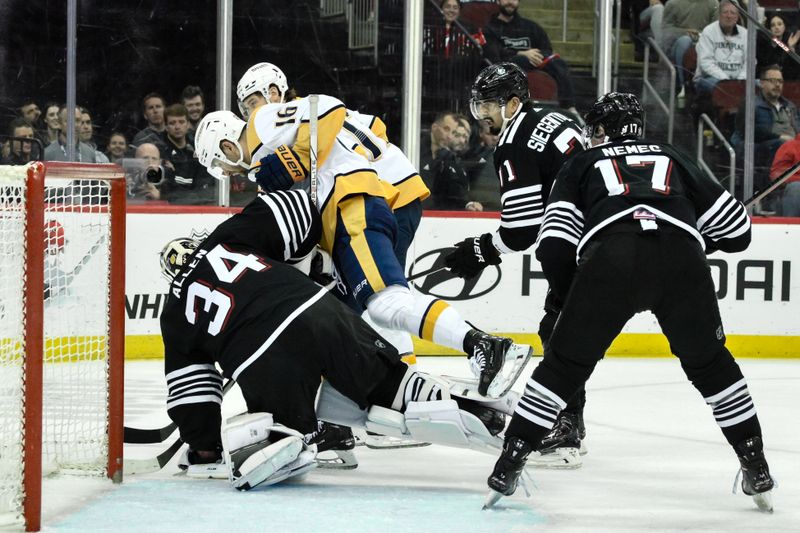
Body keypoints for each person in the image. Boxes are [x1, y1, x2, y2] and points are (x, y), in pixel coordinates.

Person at [485, 92, 775, 513]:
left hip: (611, 259)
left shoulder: (581, 163)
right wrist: (690, 237)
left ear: (603, 130)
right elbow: (738, 234)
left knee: (563, 367)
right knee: (712, 365)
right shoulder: (676, 156)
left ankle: (509, 463)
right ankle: (757, 464)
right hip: (680, 257)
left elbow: (552, 245)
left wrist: (571, 298)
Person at [159, 189, 517, 490]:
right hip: (319, 311)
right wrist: (307, 262)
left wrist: (203, 447)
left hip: (264, 361)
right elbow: (295, 208)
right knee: (390, 387)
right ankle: (498, 419)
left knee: (278, 431)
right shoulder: (227, 239)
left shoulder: (174, 313)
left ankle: (291, 434)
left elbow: (193, 393)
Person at [193, 100, 530, 401]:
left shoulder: (260, 124)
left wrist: (297, 155)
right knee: (341, 319)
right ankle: (348, 417)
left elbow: (326, 107)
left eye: (223, 167)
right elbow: (370, 129)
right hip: (364, 202)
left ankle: (482, 346)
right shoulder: (265, 167)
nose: (229, 175)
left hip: (356, 203)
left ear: (225, 145)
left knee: (384, 302)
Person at [235, 62, 432, 366]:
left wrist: (303, 157)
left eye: (252, 102)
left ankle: (402, 370)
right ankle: (384, 369)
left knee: (375, 293)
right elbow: (376, 127)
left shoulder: (302, 113)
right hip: (391, 191)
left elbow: (332, 114)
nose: (250, 114)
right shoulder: (304, 123)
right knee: (364, 295)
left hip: (379, 196)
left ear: (273, 92)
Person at [445, 62, 587, 468]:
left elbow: (523, 230)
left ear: (511, 102)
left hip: (580, 243)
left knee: (559, 332)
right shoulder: (556, 119)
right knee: (562, 328)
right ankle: (569, 421)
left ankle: (567, 429)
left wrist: (482, 251)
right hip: (598, 233)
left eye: (487, 104)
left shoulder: (515, 141)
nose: (482, 115)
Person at [482, 0, 579, 116]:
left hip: (535, 63)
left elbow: (546, 49)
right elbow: (493, 54)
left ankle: (569, 107)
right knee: (521, 59)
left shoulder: (531, 27)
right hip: (508, 65)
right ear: (498, 1)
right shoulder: (489, 28)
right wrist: (521, 53)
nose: (510, 3)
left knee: (558, 63)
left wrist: (536, 56)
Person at [731, 65, 798, 200]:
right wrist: (778, 137)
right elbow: (747, 130)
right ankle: (773, 197)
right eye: (772, 81)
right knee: (780, 145)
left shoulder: (790, 106)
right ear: (761, 83)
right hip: (763, 146)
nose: (777, 85)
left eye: (780, 81)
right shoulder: (751, 104)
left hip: (791, 146)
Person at [423, 0, 487, 113]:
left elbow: (481, 52)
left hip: (461, 77)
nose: (451, 10)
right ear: (441, 9)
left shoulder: (469, 29)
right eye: (447, 7)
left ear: (459, 11)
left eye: (455, 7)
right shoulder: (431, 27)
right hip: (435, 77)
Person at [158, 103, 216, 205]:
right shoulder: (161, 150)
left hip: (199, 202)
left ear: (188, 124)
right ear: (166, 127)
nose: (177, 127)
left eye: (181, 122)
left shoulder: (198, 147)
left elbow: (204, 183)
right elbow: (168, 189)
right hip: (172, 204)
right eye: (172, 123)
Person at [659, 0, 718, 95]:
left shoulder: (713, 4)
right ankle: (683, 85)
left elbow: (716, 29)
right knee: (684, 41)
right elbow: (666, 30)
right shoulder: (673, 3)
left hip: (704, 43)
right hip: (678, 44)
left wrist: (699, 35)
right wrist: (685, 32)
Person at [693, 0, 746, 96]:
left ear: (737, 17)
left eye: (732, 13)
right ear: (719, 15)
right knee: (723, 89)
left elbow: (750, 63)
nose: (729, 16)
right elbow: (706, 63)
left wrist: (740, 81)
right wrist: (726, 81)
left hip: (738, 80)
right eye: (725, 12)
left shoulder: (745, 34)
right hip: (711, 79)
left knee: (761, 85)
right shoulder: (708, 32)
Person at [757, 14, 800, 82]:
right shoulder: (763, 42)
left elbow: (793, 69)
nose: (776, 27)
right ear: (769, 29)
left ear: (784, 26)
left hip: (787, 81)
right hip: (768, 80)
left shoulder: (790, 40)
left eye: (779, 24)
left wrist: (791, 48)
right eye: (773, 25)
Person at [769, 130, 800, 216]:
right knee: (796, 187)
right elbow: (777, 175)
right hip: (793, 188)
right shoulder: (790, 146)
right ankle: (791, 226)